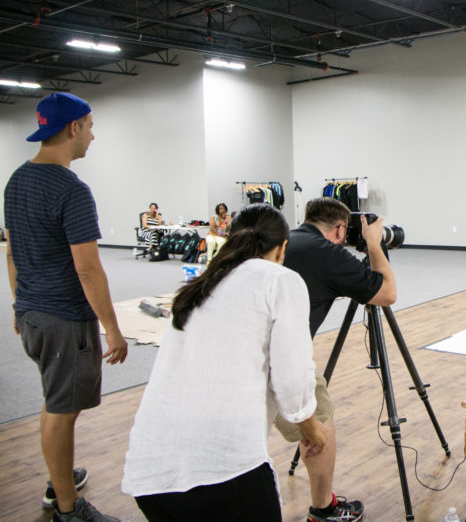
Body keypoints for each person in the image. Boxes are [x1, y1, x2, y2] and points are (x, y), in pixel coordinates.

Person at [122, 204, 326, 521]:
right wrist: (312, 430)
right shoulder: (281, 280)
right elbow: (292, 380)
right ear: (282, 247)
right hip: (226, 470)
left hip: (149, 473)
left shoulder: (199, 285)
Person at [4, 92, 127, 522]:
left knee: (55, 403)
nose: (93, 135)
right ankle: (68, 509)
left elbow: (11, 254)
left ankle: (60, 478)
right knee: (61, 410)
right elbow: (88, 269)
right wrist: (111, 327)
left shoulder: (16, 181)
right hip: (62, 320)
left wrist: (21, 305)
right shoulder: (72, 190)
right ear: (73, 127)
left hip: (34, 316)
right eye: (90, 126)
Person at [278, 197, 397, 522]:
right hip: (279, 357)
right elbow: (386, 293)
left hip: (254, 349)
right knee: (320, 419)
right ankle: (323, 508)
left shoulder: (287, 239)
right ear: (340, 228)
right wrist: (374, 244)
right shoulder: (327, 253)